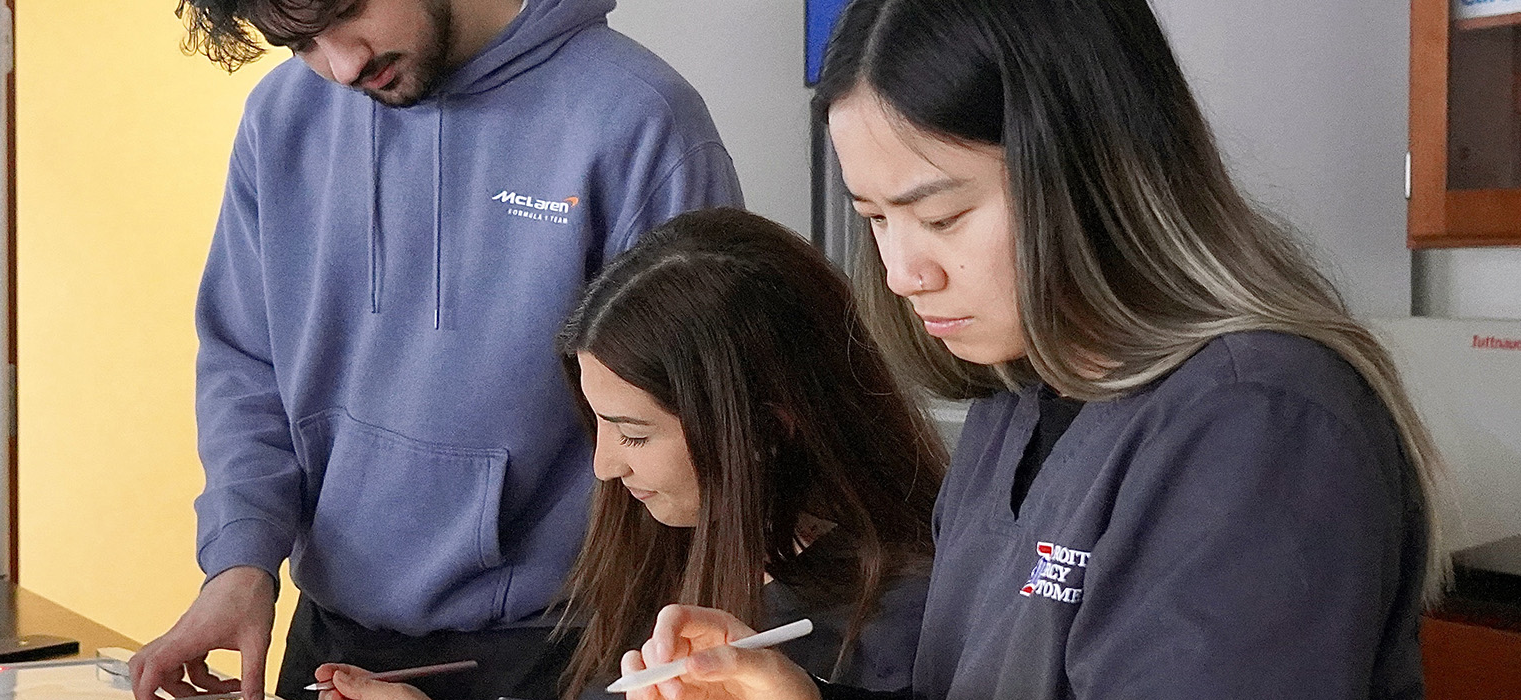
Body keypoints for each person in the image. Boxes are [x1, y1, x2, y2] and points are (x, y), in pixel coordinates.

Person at [620, 0, 1445, 698]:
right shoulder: (1016, 401)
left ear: (1092, 168)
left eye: (941, 217)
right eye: (875, 219)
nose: (903, 273)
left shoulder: (1256, 429)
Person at [124, 0, 742, 698]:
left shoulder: (640, 119)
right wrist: (240, 563)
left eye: (347, 8)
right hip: (331, 643)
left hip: (568, 648)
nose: (343, 65)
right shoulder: (280, 118)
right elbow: (245, 367)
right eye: (298, 43)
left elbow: (709, 420)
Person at [310, 208, 947, 700]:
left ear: (766, 428)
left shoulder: (896, 623)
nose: (604, 466)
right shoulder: (667, 542)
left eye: (634, 433)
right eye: (598, 424)